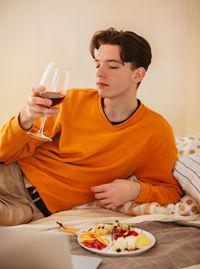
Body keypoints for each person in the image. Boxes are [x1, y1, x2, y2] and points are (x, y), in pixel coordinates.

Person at [0, 28, 182, 226]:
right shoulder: (71, 101)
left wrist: (134, 190)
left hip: (30, 207)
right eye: (97, 64)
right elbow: (3, 153)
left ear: (138, 74)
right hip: (9, 173)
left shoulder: (155, 130)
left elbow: (170, 191)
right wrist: (24, 118)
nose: (100, 73)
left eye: (112, 66)